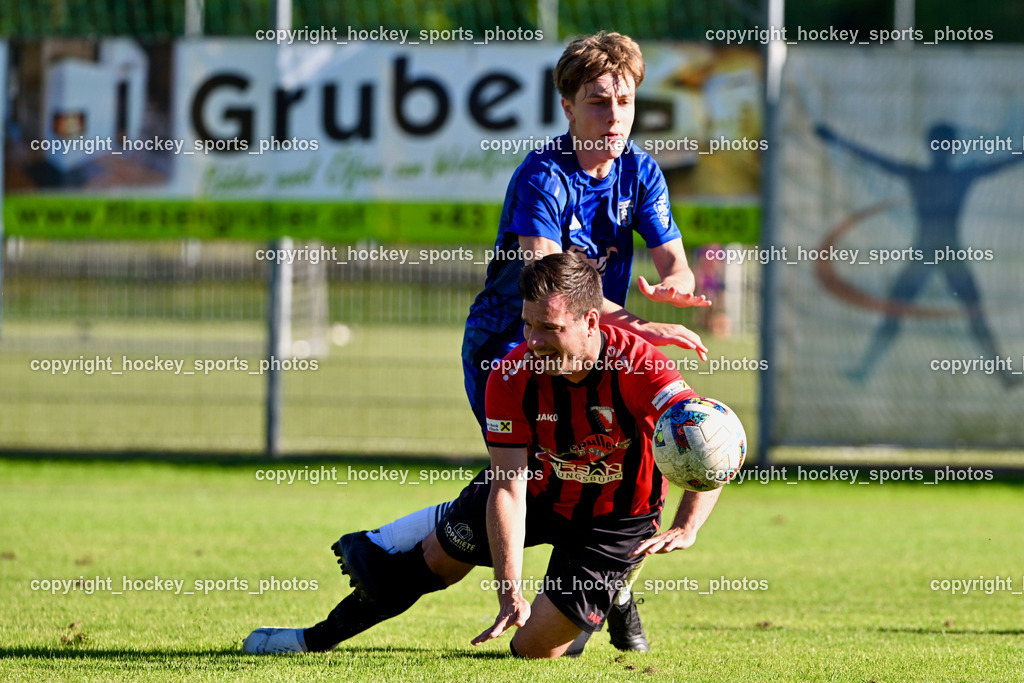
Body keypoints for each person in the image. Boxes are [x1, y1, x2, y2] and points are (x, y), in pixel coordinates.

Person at [340, 31, 712, 654]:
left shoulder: (641, 170)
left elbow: (675, 262)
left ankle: (604, 588)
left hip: (589, 345)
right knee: (529, 475)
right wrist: (639, 325)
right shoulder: (544, 175)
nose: (615, 115)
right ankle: (389, 546)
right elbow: (550, 285)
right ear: (567, 107)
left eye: (625, 101)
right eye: (598, 102)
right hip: (512, 345)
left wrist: (675, 286)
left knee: (608, 467)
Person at [244, 252, 723, 658]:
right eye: (527, 324)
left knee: (533, 650)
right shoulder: (511, 374)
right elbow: (509, 487)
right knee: (435, 559)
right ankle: (311, 640)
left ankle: (613, 592)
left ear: (591, 321)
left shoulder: (641, 367)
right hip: (537, 491)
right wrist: (509, 589)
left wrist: (688, 525)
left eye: (550, 328)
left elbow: (709, 439)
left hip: (614, 521)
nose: (533, 341)